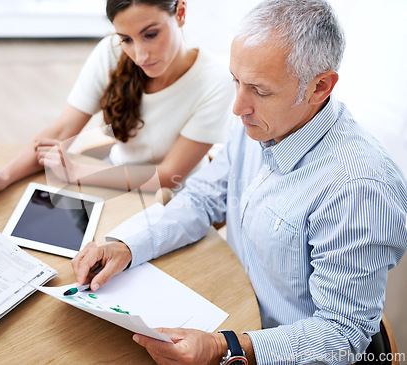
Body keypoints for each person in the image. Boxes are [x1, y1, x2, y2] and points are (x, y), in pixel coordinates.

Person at [70, 0, 407, 364]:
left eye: (260, 91)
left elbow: (343, 333)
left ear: (319, 87)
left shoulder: (359, 188)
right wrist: (127, 245)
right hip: (231, 306)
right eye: (236, 82)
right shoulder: (259, 122)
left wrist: (226, 347)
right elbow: (202, 198)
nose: (238, 106)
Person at [0, 0, 234, 194]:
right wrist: (4, 176)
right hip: (113, 174)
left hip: (176, 195)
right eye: (126, 39)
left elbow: (167, 176)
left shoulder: (216, 79)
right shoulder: (110, 53)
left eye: (151, 34)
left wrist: (78, 173)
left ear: (181, 13)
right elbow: (63, 129)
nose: (140, 56)